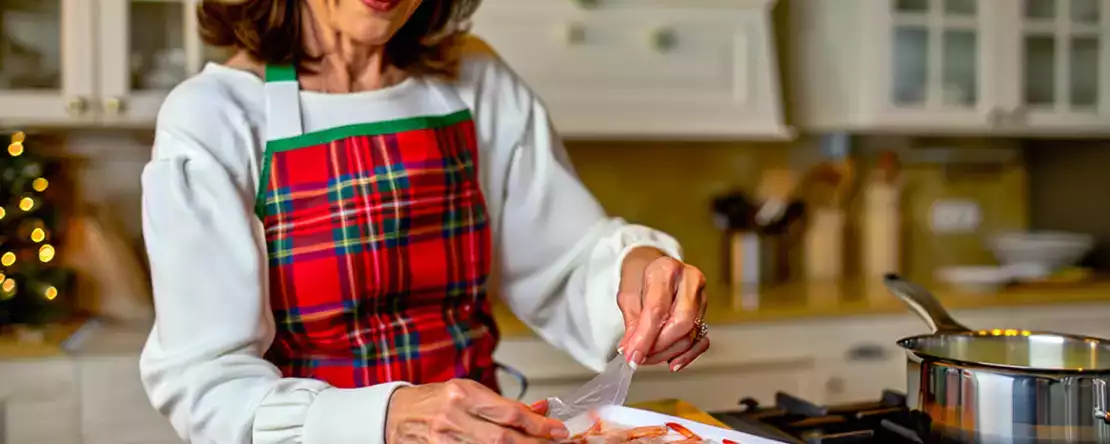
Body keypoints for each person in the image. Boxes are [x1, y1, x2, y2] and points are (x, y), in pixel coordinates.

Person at [139, 0, 710, 443]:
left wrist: (637, 275)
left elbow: (567, 262)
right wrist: (387, 419)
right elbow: (208, 387)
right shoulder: (214, 116)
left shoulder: (473, 78)